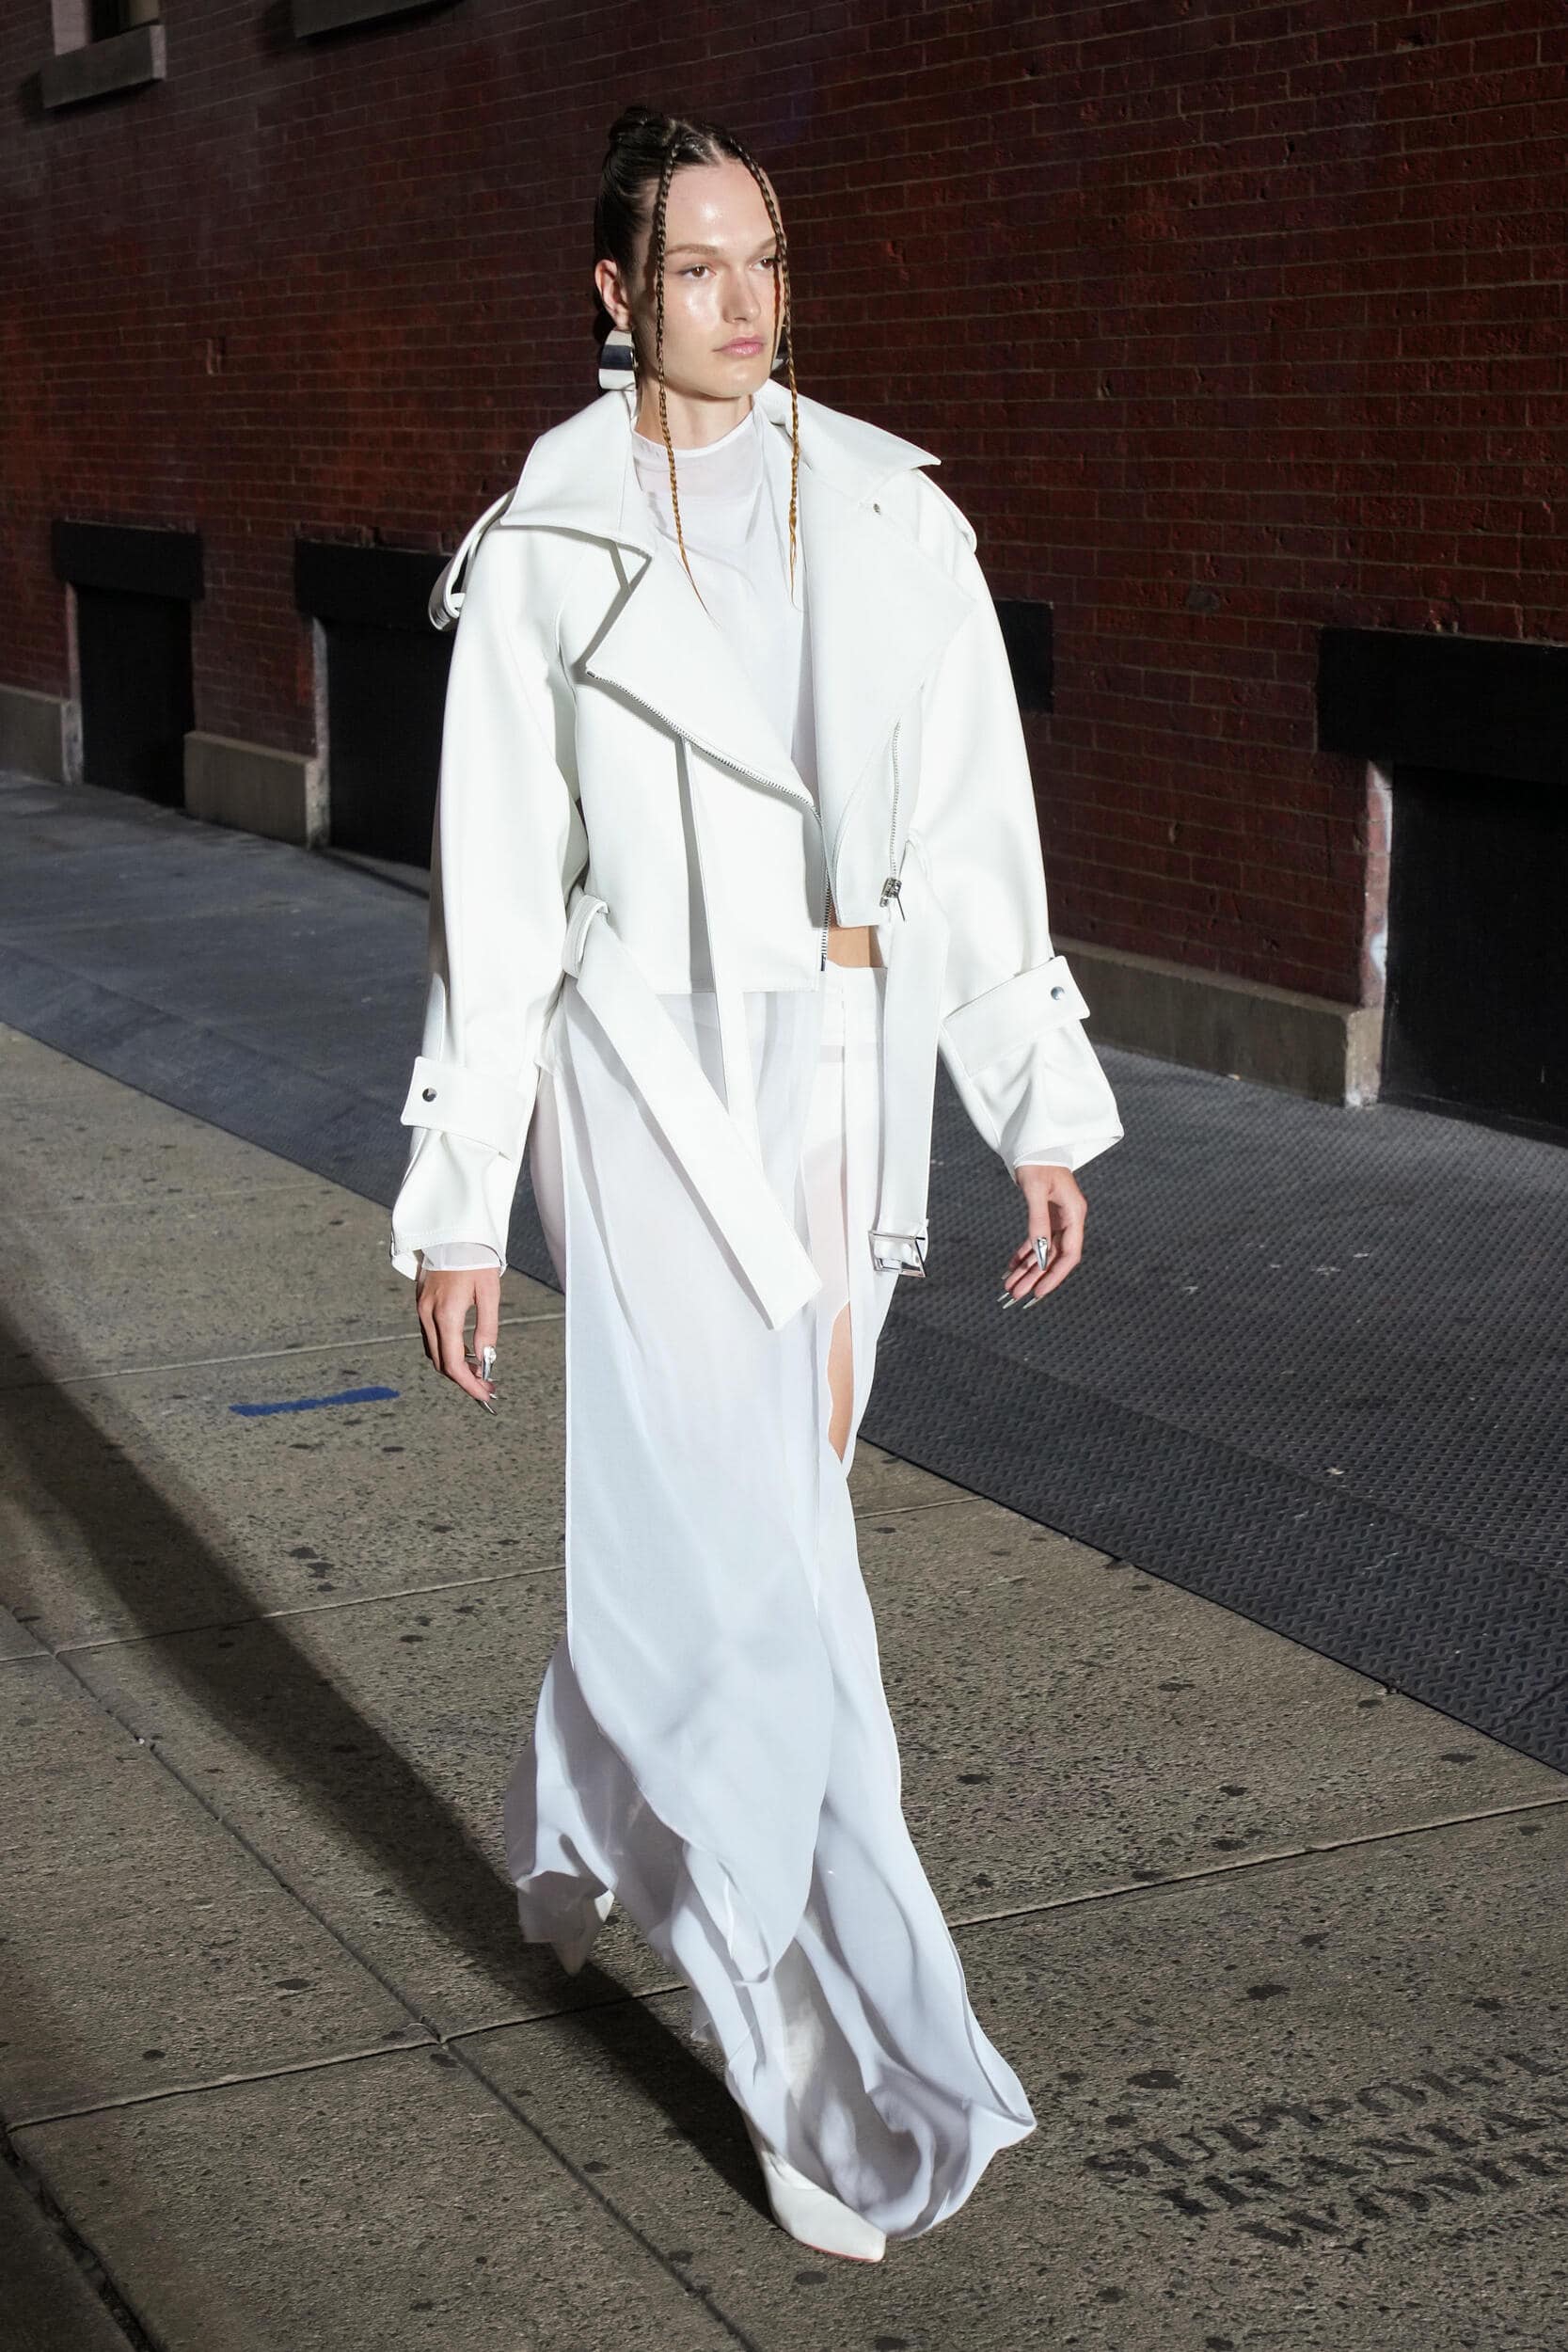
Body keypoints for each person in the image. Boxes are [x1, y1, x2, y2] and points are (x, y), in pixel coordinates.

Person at [388, 104, 1124, 2262]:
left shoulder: (891, 510)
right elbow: (496, 889)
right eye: (700, 266)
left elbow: (973, 827)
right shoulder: (550, 537)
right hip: (640, 1065)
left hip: (849, 1058)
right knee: (763, 1577)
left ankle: (578, 1802)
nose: (747, 302)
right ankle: (819, 2066)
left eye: (769, 261)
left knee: (760, 1520)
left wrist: (1037, 1098)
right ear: (616, 291)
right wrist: (460, 1194)